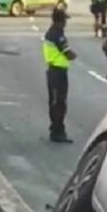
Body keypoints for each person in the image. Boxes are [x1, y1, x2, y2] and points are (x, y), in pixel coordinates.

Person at [43, 8, 77, 143]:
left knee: (55, 102)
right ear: (59, 21)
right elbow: (68, 53)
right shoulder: (57, 34)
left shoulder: (51, 33)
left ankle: (55, 129)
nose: (65, 23)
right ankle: (57, 131)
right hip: (58, 72)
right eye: (64, 20)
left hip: (53, 71)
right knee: (59, 103)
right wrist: (74, 55)